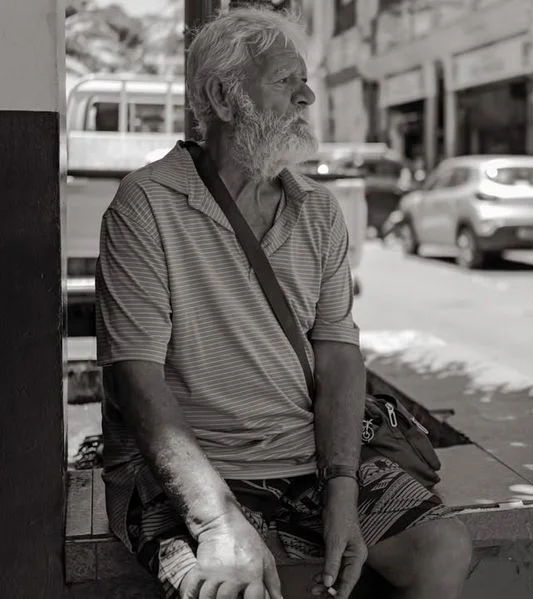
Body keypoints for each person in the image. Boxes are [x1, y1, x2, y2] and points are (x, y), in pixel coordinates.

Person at [95, 7, 472, 599]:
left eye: (305, 80)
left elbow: (339, 357)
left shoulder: (318, 210)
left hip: (302, 459)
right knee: (231, 588)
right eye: (285, 81)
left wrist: (342, 490)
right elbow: (133, 377)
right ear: (223, 96)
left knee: (442, 551)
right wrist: (217, 520)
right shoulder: (146, 206)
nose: (308, 95)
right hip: (186, 473)